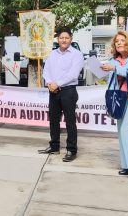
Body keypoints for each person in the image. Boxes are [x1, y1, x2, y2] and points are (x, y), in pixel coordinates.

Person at [101, 30, 128, 182]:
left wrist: (114, 68)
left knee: (127, 129)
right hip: (120, 98)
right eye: (116, 41)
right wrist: (98, 68)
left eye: (122, 40)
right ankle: (127, 164)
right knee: (121, 130)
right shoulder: (115, 60)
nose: (118, 43)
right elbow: (103, 75)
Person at [38, 27, 84, 162]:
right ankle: (54, 146)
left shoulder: (76, 54)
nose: (64, 40)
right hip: (53, 91)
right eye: (61, 38)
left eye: (67, 38)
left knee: (70, 121)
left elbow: (73, 74)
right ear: (58, 39)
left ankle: (71, 150)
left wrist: (57, 83)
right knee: (53, 120)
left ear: (71, 39)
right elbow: (46, 71)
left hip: (68, 91)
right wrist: (49, 83)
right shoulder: (52, 54)